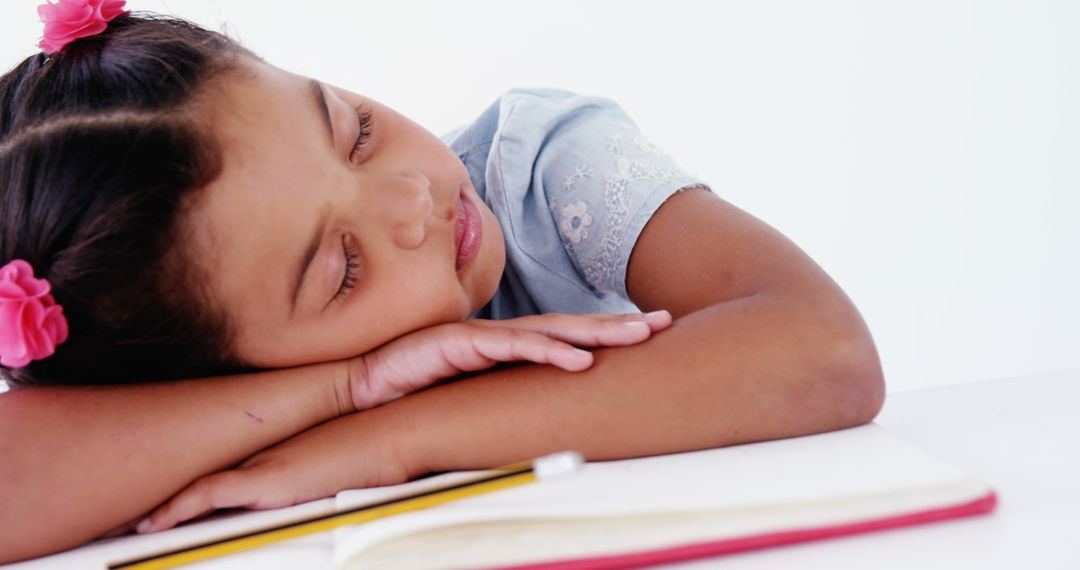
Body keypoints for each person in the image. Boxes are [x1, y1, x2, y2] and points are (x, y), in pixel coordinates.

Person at [0, 1, 885, 563]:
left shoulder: (538, 167)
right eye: (341, 268)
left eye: (355, 132)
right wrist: (347, 389)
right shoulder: (222, 403)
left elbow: (824, 352)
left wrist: (389, 437)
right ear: (216, 373)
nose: (411, 198)